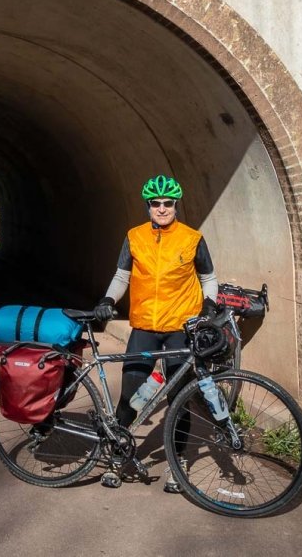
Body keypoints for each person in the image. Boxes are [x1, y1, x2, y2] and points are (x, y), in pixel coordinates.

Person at [93, 174, 220, 492]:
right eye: (155, 203)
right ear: (148, 206)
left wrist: (208, 305)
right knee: (130, 394)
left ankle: (178, 465)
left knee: (179, 398)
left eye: (168, 203)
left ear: (175, 205)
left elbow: (209, 278)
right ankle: (119, 458)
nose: (162, 208)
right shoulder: (134, 237)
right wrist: (109, 299)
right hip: (145, 327)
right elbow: (122, 275)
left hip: (179, 328)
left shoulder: (192, 238)